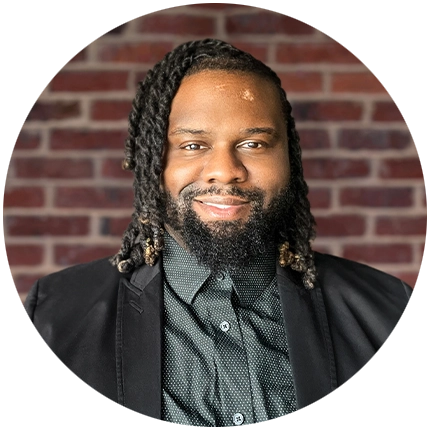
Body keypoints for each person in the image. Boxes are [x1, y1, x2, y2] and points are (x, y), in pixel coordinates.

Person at [24, 39, 426, 427]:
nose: (225, 169)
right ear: (152, 162)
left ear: (290, 159)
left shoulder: (387, 313)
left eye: (253, 143)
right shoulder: (57, 317)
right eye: (193, 145)